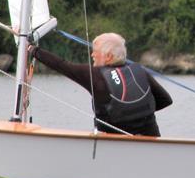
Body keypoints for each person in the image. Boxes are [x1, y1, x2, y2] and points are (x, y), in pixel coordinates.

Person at [27, 33, 172, 137]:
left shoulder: (95, 75)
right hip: (151, 144)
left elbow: (62, 65)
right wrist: (140, 113)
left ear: (108, 56)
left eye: (95, 51)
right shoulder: (139, 71)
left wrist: (33, 50)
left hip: (112, 145)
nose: (92, 55)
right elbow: (166, 100)